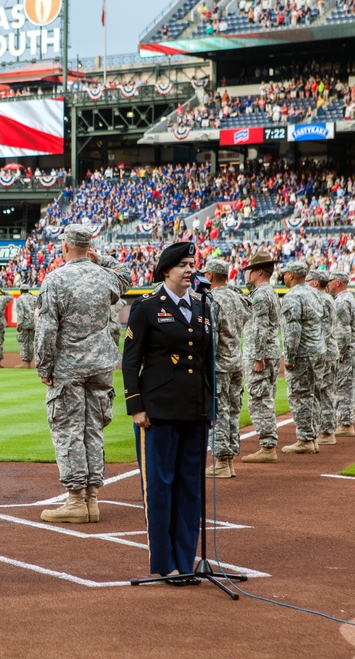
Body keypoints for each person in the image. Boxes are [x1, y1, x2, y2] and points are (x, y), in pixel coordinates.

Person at [121, 241, 213, 584]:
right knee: (160, 488)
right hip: (157, 412)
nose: (190, 270)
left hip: (194, 411)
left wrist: (210, 405)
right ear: (166, 271)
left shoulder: (203, 307)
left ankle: (186, 559)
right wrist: (135, 406)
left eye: (192, 264)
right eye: (183, 265)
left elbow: (207, 364)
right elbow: (131, 361)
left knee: (191, 489)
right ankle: (165, 562)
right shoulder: (146, 308)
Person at [35, 225, 131, 524]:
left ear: (65, 247)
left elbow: (47, 328)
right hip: (101, 365)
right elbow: (126, 276)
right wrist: (98, 258)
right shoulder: (105, 277)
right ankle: (91, 499)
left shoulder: (55, 279)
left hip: (69, 367)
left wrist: (43, 366)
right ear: (88, 246)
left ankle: (76, 500)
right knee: (93, 429)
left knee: (69, 430)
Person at [202, 258, 250, 478]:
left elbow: (210, 339)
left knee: (218, 412)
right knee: (232, 410)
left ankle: (222, 461)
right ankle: (228, 459)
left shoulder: (212, 299)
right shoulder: (237, 298)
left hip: (219, 364)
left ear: (210, 275)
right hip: (236, 362)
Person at [239, 251, 282, 464]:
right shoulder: (269, 292)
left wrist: (257, 357)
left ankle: (267, 446)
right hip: (271, 351)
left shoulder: (260, 295)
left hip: (262, 355)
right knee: (266, 398)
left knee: (259, 400)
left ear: (257, 272)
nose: (246, 275)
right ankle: (268, 443)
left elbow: (260, 328)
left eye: (249, 271)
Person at [279, 261, 325, 454]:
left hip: (303, 353)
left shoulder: (293, 297)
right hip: (318, 350)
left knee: (299, 396)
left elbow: (292, 331)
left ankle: (305, 439)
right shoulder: (314, 293)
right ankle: (312, 437)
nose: (283, 276)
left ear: (290, 275)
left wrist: (289, 357)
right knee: (313, 394)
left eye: (284, 273)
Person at [306, 269, 339, 446]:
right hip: (329, 350)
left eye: (308, 280)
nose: (306, 283)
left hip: (324, 351)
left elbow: (323, 331)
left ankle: (326, 431)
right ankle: (326, 429)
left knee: (323, 392)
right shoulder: (327, 298)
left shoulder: (322, 299)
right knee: (325, 391)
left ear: (316, 283)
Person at [328, 271, 355, 436]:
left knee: (342, 387)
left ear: (338, 282)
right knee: (346, 386)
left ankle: (345, 424)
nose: (328, 284)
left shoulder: (342, 301)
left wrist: (339, 352)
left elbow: (343, 331)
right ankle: (346, 421)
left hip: (346, 352)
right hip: (352, 350)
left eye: (331, 281)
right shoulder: (349, 298)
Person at [13, 286, 38, 369]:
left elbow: (20, 313)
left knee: (23, 342)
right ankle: (29, 361)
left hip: (24, 323)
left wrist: (19, 324)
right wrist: (32, 294)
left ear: (21, 290)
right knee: (30, 343)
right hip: (32, 323)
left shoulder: (20, 299)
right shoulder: (33, 298)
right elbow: (39, 298)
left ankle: (24, 362)